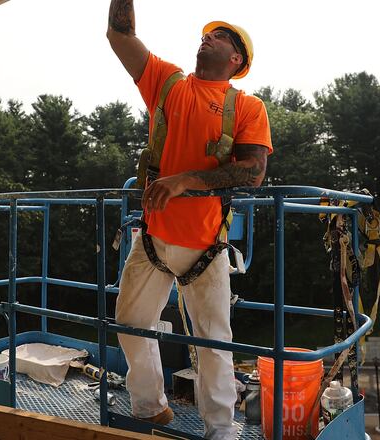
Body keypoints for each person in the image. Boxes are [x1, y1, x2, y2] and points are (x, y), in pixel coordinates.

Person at [107, 1, 272, 438]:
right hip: (153, 238)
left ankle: (220, 428)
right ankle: (149, 406)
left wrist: (186, 180)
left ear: (236, 60)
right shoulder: (168, 83)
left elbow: (253, 172)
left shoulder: (247, 107)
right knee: (129, 320)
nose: (208, 37)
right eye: (207, 34)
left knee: (215, 340)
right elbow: (119, 35)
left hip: (206, 245)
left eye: (219, 36)